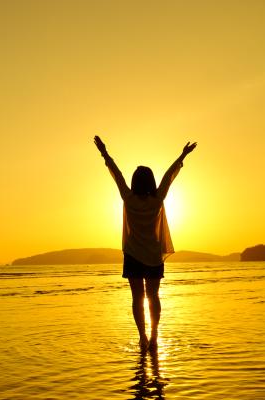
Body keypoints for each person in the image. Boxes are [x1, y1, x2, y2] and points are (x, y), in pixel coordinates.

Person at [94, 135, 196, 351]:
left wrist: (104, 152)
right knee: (153, 296)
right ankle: (154, 336)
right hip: (152, 256)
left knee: (137, 298)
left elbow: (117, 175)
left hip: (132, 255)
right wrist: (182, 156)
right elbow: (169, 177)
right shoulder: (157, 199)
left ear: (134, 183)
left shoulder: (128, 198)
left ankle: (142, 337)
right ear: (151, 182)